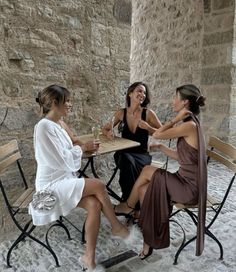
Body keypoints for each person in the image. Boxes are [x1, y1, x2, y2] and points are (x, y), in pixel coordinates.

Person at [28, 84, 130, 272]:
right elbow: (61, 159)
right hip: (50, 186)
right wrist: (82, 149)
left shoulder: (58, 123)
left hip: (64, 179)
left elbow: (71, 143)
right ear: (54, 103)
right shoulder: (43, 127)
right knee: (99, 185)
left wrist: (84, 145)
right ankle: (116, 226)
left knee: (94, 204)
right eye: (67, 101)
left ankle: (88, 257)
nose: (70, 104)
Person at [114, 84, 207, 259]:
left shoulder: (189, 125)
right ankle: (148, 242)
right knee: (143, 190)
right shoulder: (189, 123)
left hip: (190, 189)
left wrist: (173, 120)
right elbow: (183, 157)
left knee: (148, 170)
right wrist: (163, 148)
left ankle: (128, 206)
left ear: (185, 102)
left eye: (175, 98)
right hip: (182, 181)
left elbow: (157, 133)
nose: (173, 101)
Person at [102, 82, 162, 205]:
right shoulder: (121, 113)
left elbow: (163, 132)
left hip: (142, 155)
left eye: (144, 92)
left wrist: (148, 128)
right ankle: (134, 205)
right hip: (123, 153)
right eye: (139, 91)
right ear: (130, 94)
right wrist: (108, 133)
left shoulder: (148, 114)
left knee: (128, 164)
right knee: (126, 159)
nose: (142, 94)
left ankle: (127, 203)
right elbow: (104, 128)